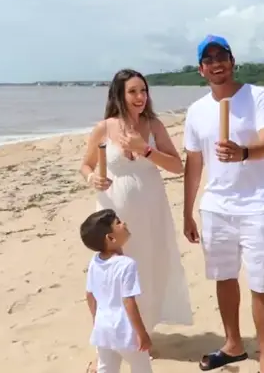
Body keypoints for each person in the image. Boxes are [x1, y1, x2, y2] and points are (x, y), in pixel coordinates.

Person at [183, 35, 264, 373]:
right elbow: (194, 163)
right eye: (208, 59)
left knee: (262, 284)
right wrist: (187, 212)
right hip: (216, 207)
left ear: (232, 60)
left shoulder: (259, 96)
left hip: (258, 205)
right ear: (201, 69)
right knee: (224, 278)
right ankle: (233, 344)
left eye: (221, 56)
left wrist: (244, 153)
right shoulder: (196, 111)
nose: (216, 63)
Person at [79, 68, 194, 345]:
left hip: (151, 210)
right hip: (115, 213)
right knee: (114, 271)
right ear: (119, 94)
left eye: (143, 90)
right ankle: (111, 336)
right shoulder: (104, 128)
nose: (140, 96)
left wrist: (146, 150)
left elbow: (177, 166)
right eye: (133, 91)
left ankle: (143, 332)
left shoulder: (154, 125)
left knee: (148, 266)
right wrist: (92, 178)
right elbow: (86, 165)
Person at [81, 208, 153, 373]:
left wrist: (97, 322)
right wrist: (142, 333)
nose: (124, 223)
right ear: (111, 238)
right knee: (141, 368)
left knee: (106, 368)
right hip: (124, 330)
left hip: (103, 328)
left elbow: (90, 295)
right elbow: (128, 302)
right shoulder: (127, 264)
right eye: (118, 223)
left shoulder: (94, 262)